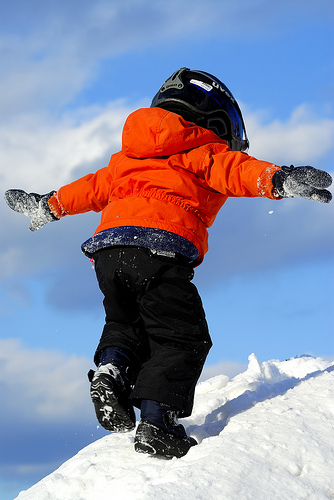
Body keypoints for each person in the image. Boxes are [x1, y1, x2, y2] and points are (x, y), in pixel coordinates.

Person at [5, 67, 332, 459]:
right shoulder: (202, 151)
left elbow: (89, 188)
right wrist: (282, 179)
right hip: (159, 248)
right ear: (214, 121)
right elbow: (239, 172)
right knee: (182, 337)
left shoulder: (127, 158)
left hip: (109, 251)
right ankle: (157, 423)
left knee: (126, 322)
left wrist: (47, 206)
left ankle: (112, 370)